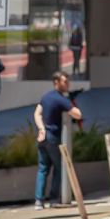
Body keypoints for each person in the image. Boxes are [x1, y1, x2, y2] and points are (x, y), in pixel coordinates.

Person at [33, 71, 82, 209]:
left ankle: (39, 201)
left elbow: (37, 113)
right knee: (59, 168)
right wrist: (69, 107)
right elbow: (78, 114)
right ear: (56, 82)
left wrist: (41, 129)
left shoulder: (46, 97)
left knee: (43, 169)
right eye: (64, 82)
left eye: (67, 81)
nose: (67, 84)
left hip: (43, 137)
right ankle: (54, 199)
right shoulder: (60, 99)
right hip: (53, 137)